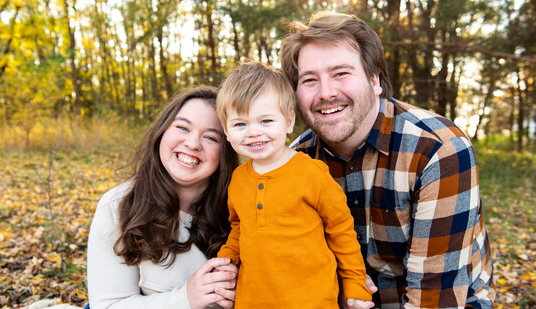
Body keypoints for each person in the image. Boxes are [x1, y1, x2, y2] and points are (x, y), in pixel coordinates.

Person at [280, 11, 495, 309]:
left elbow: (434, 299)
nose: (326, 93)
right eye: (309, 80)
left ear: (374, 79)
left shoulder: (437, 149)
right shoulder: (294, 162)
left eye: (341, 73)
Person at [215, 61, 373, 309]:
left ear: (288, 122)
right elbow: (239, 226)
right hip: (253, 299)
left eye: (266, 121)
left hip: (311, 300)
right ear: (226, 130)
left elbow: (341, 231)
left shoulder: (313, 174)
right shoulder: (238, 179)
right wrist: (227, 257)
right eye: (240, 124)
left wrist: (355, 283)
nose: (254, 132)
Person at [87, 86, 240, 309]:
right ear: (162, 131)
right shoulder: (118, 206)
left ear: (225, 151)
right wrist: (187, 299)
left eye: (210, 137)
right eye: (182, 127)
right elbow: (108, 305)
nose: (192, 143)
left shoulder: (241, 208)